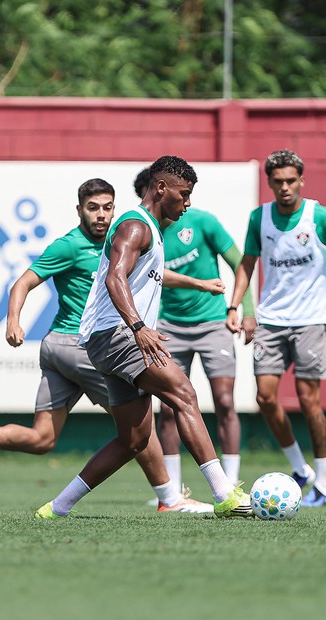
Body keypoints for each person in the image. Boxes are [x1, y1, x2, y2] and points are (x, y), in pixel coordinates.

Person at [0, 178, 221, 513]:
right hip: (82, 346)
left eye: (107, 208)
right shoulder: (70, 246)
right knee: (139, 427)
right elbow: (23, 282)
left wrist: (197, 283)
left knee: (43, 438)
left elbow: (151, 272)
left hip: (58, 349)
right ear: (79, 210)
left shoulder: (121, 240)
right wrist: (13, 320)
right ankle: (169, 499)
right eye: (93, 208)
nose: (101, 215)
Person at [35, 155, 251, 520]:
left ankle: (56, 508)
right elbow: (114, 277)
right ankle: (224, 494)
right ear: (161, 188)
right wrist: (138, 327)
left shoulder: (151, 228)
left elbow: (144, 275)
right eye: (184, 194)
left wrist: (197, 284)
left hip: (106, 340)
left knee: (132, 440)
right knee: (184, 393)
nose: (188, 202)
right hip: (119, 335)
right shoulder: (136, 226)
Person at [226, 149, 326, 507]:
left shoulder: (320, 216)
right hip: (271, 320)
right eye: (278, 182)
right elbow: (247, 264)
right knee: (265, 398)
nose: (285, 187)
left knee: (308, 400)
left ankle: (325, 483)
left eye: (291, 181)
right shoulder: (259, 217)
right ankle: (300, 468)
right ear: (269, 182)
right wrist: (237, 307)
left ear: (302, 180)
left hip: (311, 319)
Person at [133, 167, 257, 497]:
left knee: (225, 402)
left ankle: (232, 484)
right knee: (168, 408)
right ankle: (174, 491)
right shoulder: (145, 232)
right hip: (168, 327)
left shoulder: (203, 222)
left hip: (213, 323)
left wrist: (243, 310)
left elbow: (240, 263)